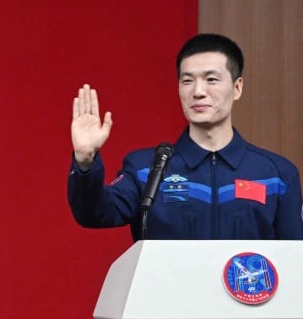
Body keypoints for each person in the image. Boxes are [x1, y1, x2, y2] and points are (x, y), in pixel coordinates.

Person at [68, 33, 303, 240]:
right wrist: (85, 162)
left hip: (244, 292)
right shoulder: (147, 169)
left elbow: (294, 263)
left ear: (237, 87)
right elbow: (94, 213)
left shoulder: (276, 175)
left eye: (211, 80)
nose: (198, 92)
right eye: (187, 81)